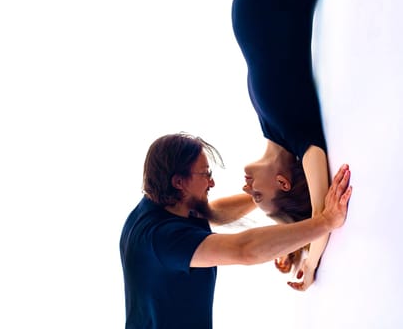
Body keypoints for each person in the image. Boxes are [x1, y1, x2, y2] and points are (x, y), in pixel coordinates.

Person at [119, 132, 352, 329]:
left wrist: (262, 194)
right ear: (179, 182)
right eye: (206, 174)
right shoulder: (160, 239)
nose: (211, 183)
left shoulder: (161, 205)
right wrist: (326, 221)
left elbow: (212, 212)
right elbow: (244, 249)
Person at [231, 0, 330, 290]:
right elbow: (319, 214)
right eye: (258, 195)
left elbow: (214, 214)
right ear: (283, 182)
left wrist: (290, 245)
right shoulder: (299, 134)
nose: (248, 192)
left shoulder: (272, 128)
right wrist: (309, 262)